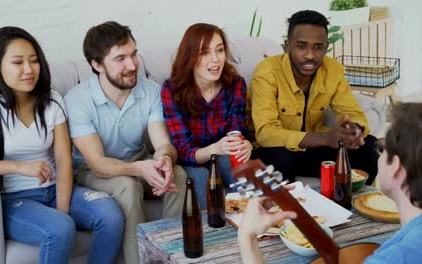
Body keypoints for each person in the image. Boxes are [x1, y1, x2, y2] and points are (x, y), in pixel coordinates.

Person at [0, 27, 124, 264]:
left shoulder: (51, 99)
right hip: (13, 199)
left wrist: (63, 210)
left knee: (110, 215)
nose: (28, 69)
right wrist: (18, 167)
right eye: (17, 62)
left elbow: (64, 158)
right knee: (59, 229)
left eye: (34, 61)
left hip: (56, 190)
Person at [64, 21, 186, 264]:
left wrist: (165, 159)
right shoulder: (77, 100)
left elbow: (163, 143)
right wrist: (139, 169)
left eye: (133, 54)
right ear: (97, 65)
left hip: (138, 161)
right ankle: (140, 261)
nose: (132, 66)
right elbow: (98, 164)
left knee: (179, 175)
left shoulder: (151, 91)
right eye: (120, 59)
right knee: (127, 187)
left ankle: (171, 255)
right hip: (93, 172)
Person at [238, 102, 422, 263]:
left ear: (395, 166)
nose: (379, 154)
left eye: (383, 149)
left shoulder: (389, 259)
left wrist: (246, 237)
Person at [248, 10, 379, 184]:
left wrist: (352, 132)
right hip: (272, 150)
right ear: (288, 46)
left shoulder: (333, 71)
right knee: (280, 157)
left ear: (326, 48)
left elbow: (354, 113)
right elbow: (266, 134)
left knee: (368, 147)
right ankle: (290, 208)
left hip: (310, 146)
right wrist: (326, 138)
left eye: (318, 47)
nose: (310, 55)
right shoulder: (267, 73)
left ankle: (353, 205)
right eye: (301, 46)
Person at [162, 23, 253, 209]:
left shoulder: (235, 83)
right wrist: (216, 148)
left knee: (240, 171)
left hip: (223, 154)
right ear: (190, 56)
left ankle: (252, 227)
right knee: (202, 178)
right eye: (204, 53)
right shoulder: (172, 90)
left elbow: (238, 131)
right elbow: (183, 150)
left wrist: (246, 145)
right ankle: (214, 233)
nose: (215, 59)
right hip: (192, 159)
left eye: (219, 50)